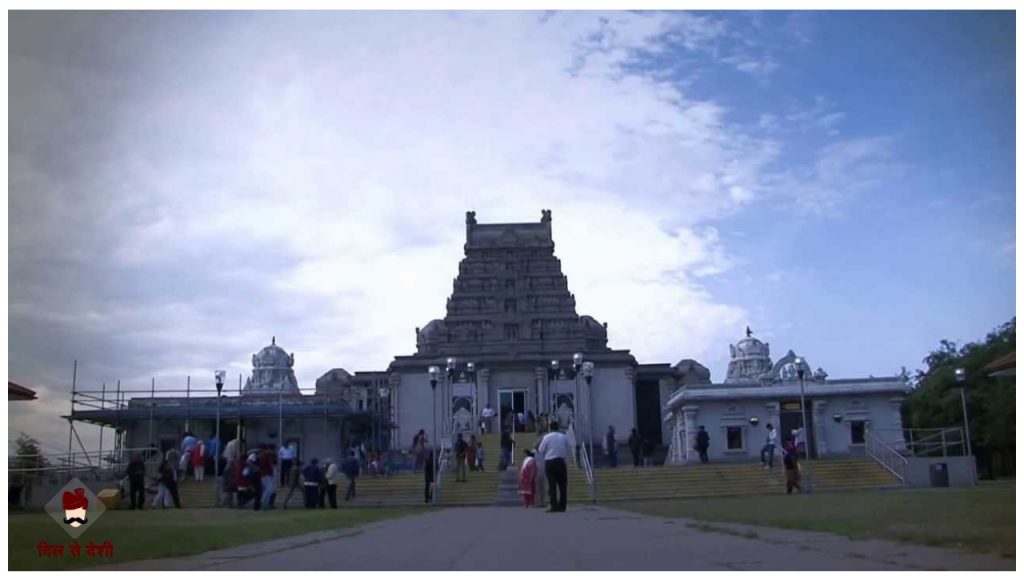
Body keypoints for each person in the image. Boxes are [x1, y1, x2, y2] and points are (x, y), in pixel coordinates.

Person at [536, 421, 571, 512]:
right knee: (562, 484)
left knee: (552, 484)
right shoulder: (563, 436)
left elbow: (541, 449)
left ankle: (554, 505)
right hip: (560, 461)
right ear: (558, 427)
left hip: (550, 461)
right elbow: (568, 448)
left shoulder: (547, 437)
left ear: (550, 428)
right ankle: (562, 505)